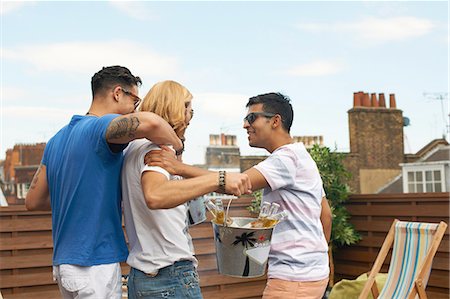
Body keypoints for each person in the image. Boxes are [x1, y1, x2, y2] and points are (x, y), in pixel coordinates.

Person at [146, 92, 332, 299]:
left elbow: (237, 183)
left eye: (252, 118)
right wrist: (313, 258)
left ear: (275, 121)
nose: (245, 125)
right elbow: (325, 214)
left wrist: (178, 167)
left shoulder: (286, 159)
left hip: (295, 278)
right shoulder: (301, 156)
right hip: (312, 274)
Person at [25, 66, 184, 299]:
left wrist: (81, 196)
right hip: (94, 264)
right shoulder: (100, 126)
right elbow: (152, 123)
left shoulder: (56, 140)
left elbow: (33, 200)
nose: (134, 109)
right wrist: (178, 148)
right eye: (135, 101)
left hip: (64, 266)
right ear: (118, 93)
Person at [121, 80, 252, 299]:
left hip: (145, 276)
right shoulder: (157, 149)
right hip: (169, 276)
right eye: (189, 108)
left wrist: (222, 179)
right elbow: (155, 195)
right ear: (176, 109)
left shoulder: (135, 148)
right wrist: (218, 179)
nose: (191, 116)